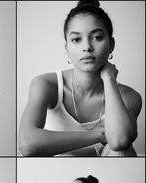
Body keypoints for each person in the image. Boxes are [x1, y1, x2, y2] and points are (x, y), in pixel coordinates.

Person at [18, 0, 142, 157]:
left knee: (122, 149)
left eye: (97, 37)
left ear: (111, 45)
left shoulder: (129, 97)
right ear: (67, 49)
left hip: (103, 166)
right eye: (76, 39)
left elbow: (119, 141)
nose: (87, 47)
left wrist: (109, 78)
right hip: (54, 168)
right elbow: (27, 144)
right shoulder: (46, 84)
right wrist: (101, 135)